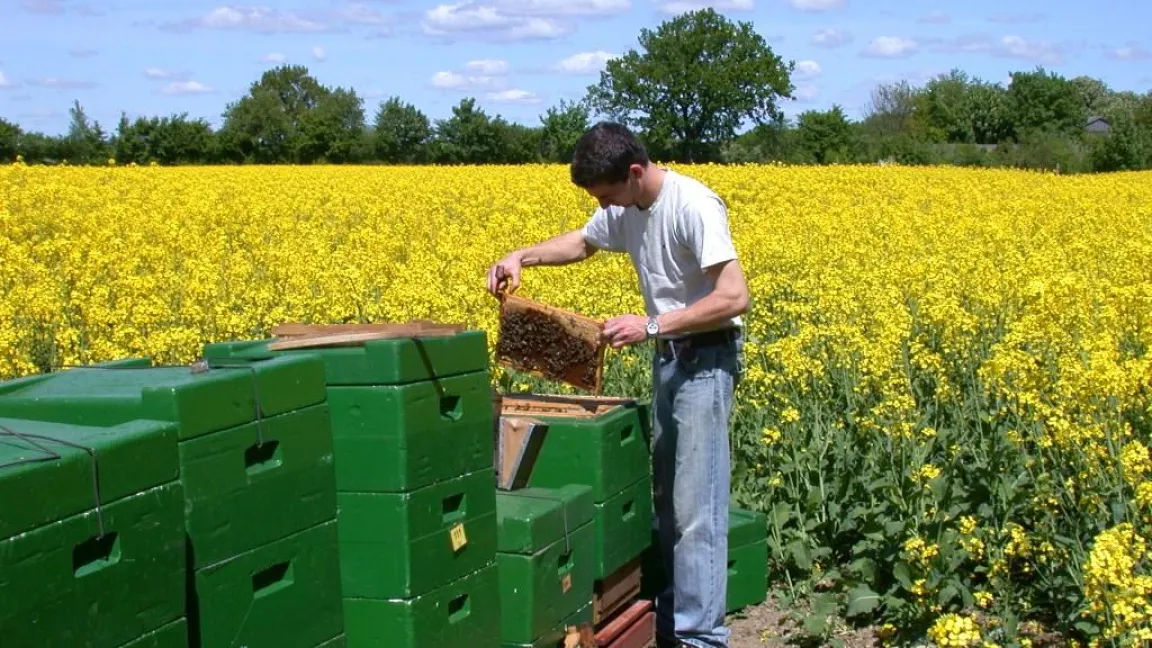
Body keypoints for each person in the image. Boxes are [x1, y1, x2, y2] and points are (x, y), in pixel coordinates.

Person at [486, 121, 749, 648]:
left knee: (698, 509)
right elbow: (584, 242)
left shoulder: (694, 205)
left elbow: (734, 297)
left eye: (607, 195)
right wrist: (521, 255)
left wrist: (650, 324)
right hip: (670, 359)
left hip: (707, 360)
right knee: (670, 504)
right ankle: (678, 624)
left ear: (633, 172)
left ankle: (703, 639)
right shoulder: (624, 208)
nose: (603, 207)